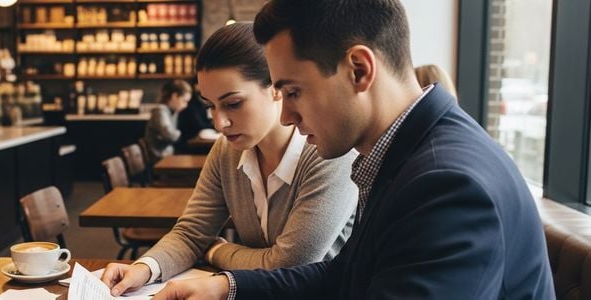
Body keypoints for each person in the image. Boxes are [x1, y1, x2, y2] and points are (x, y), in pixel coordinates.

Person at [153, 0, 555, 299]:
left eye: (293, 92)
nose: (287, 116)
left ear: (359, 70)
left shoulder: (445, 184)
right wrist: (227, 286)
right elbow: (345, 274)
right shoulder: (407, 152)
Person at [101, 23, 358, 298]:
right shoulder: (226, 150)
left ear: (276, 87)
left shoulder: (329, 153)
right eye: (210, 106)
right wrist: (144, 268)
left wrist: (215, 250)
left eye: (233, 104)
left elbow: (289, 266)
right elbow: (191, 232)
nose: (219, 123)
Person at [142, 80, 192, 163]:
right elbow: (170, 135)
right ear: (174, 96)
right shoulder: (160, 111)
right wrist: (181, 133)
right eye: (184, 101)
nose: (186, 105)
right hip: (158, 159)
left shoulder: (173, 111)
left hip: (167, 156)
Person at [175, 79, 214, 154]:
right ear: (195, 85)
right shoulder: (191, 102)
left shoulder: (201, 102)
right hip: (187, 143)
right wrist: (213, 125)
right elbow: (199, 124)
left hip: (194, 140)